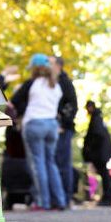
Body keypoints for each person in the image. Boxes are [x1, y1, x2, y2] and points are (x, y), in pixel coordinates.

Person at [10, 54, 66, 211]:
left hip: (34, 124)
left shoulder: (31, 84)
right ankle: (60, 200)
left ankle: (43, 202)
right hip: (51, 125)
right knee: (51, 163)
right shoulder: (56, 85)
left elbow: (14, 101)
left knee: (38, 164)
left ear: (35, 69)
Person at [50, 55, 78, 207]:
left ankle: (66, 198)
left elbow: (73, 105)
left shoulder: (65, 83)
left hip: (63, 129)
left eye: (51, 63)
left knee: (63, 164)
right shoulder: (49, 82)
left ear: (58, 66)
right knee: (53, 163)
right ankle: (56, 198)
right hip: (51, 128)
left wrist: (63, 123)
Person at [82, 100, 111, 207]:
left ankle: (107, 197)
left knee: (104, 174)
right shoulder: (97, 118)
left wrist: (90, 148)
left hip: (100, 153)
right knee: (104, 174)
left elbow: (97, 135)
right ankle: (107, 196)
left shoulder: (96, 119)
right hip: (101, 152)